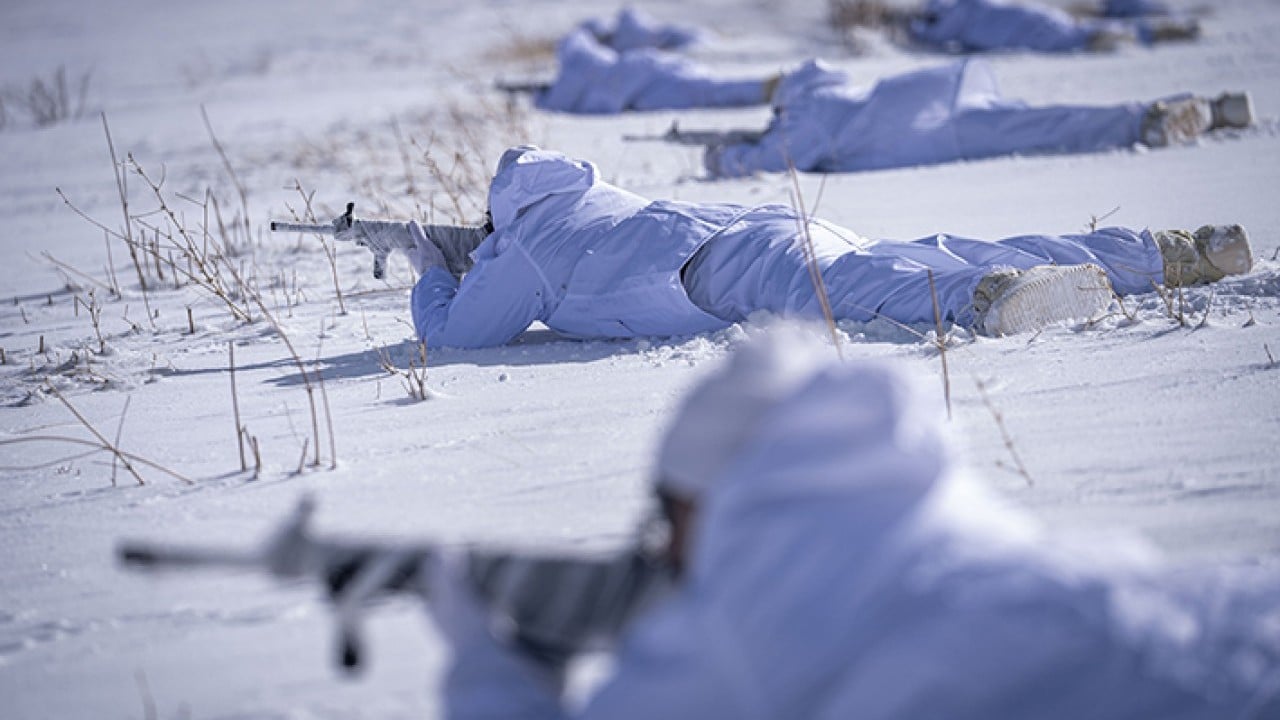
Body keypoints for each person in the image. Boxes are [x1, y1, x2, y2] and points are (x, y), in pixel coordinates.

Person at [258, 329, 1280, 717]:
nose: (659, 542)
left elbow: (463, 321)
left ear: (717, 496)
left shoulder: (749, 642)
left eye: (666, 512)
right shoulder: (975, 545)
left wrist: (490, 671)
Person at [329, 146, 1254, 348]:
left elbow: (456, 341)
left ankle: (990, 300)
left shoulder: (519, 246)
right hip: (759, 222)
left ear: (500, 210)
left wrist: (428, 269)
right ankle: (1169, 252)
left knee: (864, 289)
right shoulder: (587, 199)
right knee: (930, 247)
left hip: (723, 264)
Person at [702, 58, 1255, 177]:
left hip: (932, 127)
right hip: (934, 97)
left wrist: (725, 156)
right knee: (1048, 119)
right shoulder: (831, 95)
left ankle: (1149, 123)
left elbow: (785, 158)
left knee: (1050, 128)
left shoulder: (807, 110)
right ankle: (1206, 109)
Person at [523, 26, 771, 114]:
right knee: (707, 88)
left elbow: (600, 103)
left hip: (650, 85)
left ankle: (764, 89)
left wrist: (539, 98)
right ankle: (763, 88)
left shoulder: (579, 69)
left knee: (706, 93)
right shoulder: (599, 61)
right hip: (658, 75)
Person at [852, 0, 1201, 52]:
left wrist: (903, 28)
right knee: (1078, 31)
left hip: (1031, 31)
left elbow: (931, 36)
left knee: (1078, 39)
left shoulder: (951, 14)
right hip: (1037, 18)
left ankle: (1154, 31)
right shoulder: (967, 7)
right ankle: (1161, 29)